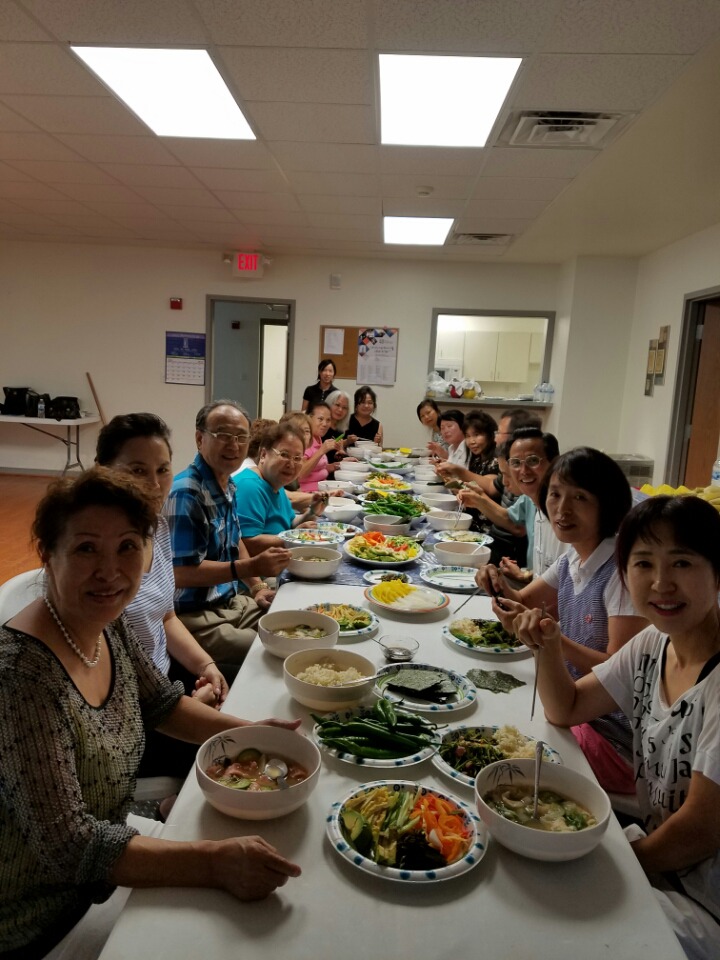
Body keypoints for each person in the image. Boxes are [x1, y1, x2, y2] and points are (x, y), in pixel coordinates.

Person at [0, 468, 301, 959]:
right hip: (44, 918)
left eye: (127, 546)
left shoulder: (104, 621)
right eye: (86, 549)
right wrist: (214, 864)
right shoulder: (20, 677)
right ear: (48, 555)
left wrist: (253, 733)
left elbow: (162, 704)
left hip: (108, 856)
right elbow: (70, 846)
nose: (110, 571)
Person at [517, 494, 720, 960]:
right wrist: (548, 645)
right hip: (663, 863)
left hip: (704, 901)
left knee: (551, 925)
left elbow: (702, 830)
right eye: (644, 563)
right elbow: (567, 708)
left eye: (682, 562)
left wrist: (621, 866)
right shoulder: (654, 643)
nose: (661, 583)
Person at [479, 447, 647, 792]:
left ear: (607, 505)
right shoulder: (574, 557)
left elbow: (621, 673)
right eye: (555, 494)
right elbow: (523, 602)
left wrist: (554, 642)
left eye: (580, 498)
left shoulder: (620, 573)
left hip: (612, 739)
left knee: (500, 759)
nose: (562, 509)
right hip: (568, 707)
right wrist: (496, 582)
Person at [95, 413, 228, 709]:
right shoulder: (97, 558)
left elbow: (166, 617)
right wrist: (186, 709)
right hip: (129, 706)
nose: (155, 485)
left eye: (163, 469)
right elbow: (109, 682)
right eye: (137, 470)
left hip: (164, 681)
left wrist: (205, 665)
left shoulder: (157, 528)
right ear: (102, 472)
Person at [164, 400, 291, 672]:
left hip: (230, 602)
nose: (233, 445)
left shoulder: (227, 483)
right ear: (200, 439)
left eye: (241, 437)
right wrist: (250, 567)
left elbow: (236, 542)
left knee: (294, 625)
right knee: (274, 652)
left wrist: (256, 587)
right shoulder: (187, 493)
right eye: (223, 435)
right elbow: (180, 573)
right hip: (193, 616)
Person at [459, 428, 559, 575]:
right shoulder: (529, 498)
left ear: (555, 462)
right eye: (516, 463)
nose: (524, 470)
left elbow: (563, 576)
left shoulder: (562, 512)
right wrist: (523, 576)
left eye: (533, 461)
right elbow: (509, 518)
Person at [235, 422, 328, 554]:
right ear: (263, 455)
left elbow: (290, 523)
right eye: (284, 455)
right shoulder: (249, 486)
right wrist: (294, 537)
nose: (291, 464)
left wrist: (311, 512)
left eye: (297, 458)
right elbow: (247, 542)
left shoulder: (275, 483)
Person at [435, 410, 498, 486]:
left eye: (476, 435)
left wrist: (458, 471)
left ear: (490, 434)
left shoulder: (497, 460)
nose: (471, 441)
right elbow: (468, 486)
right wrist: (448, 476)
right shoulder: (477, 460)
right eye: (468, 436)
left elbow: (489, 487)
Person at [297, 401, 339, 492]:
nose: (325, 424)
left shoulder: (318, 438)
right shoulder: (305, 441)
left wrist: (333, 466)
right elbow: (300, 473)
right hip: (308, 493)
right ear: (309, 418)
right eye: (320, 419)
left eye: (328, 420)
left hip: (322, 489)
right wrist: (321, 451)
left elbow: (316, 469)